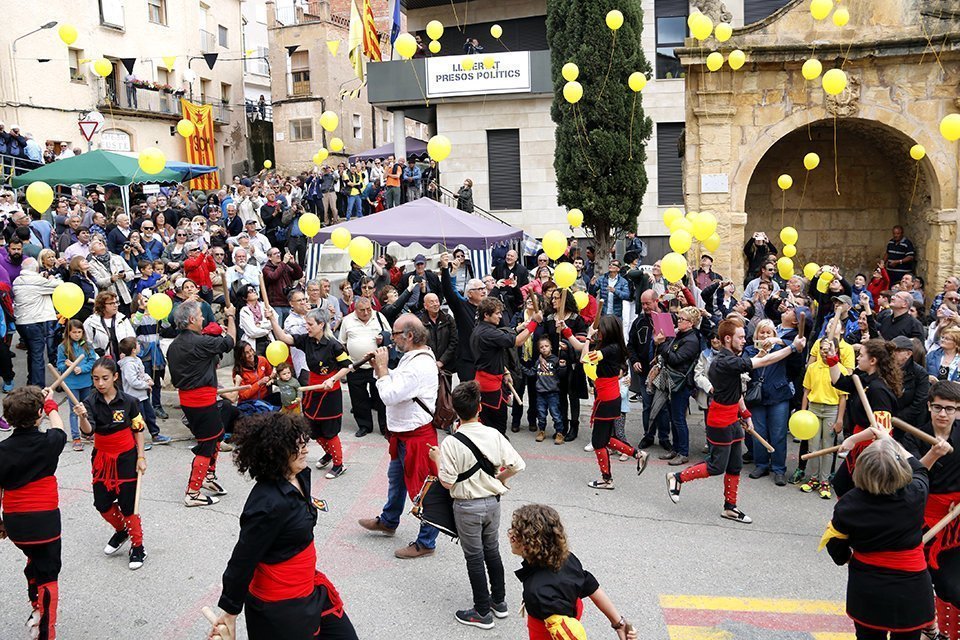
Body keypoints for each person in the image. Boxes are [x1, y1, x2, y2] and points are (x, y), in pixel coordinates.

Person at [210, 412, 358, 640]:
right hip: (281, 607)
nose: (307, 450)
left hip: (310, 587)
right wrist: (230, 612)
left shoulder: (300, 476)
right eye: (298, 446)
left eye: (304, 443)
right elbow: (243, 559)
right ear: (275, 451)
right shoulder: (266, 504)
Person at [666, 318, 805, 523]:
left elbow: (737, 391)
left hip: (733, 418)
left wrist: (746, 414)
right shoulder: (724, 361)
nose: (744, 340)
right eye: (740, 337)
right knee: (716, 466)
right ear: (728, 338)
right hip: (720, 421)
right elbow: (764, 362)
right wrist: (792, 347)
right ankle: (677, 477)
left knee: (735, 465)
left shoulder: (732, 359)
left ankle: (730, 507)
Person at [823, 429, 949, 640]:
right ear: (900, 470)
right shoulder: (915, 494)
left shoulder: (849, 504)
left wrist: (845, 558)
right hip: (911, 587)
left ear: (861, 469)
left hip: (867, 586)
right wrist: (888, 440)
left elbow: (835, 545)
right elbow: (919, 468)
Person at [429, 380, 525, 628]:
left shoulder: (450, 442)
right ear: (480, 407)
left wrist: (438, 458)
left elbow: (447, 483)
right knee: (492, 550)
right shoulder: (493, 434)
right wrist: (499, 478)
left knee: (474, 557)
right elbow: (518, 464)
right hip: (493, 504)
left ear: (456, 412)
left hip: (467, 507)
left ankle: (482, 611)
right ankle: (499, 601)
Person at [358, 315, 441, 559]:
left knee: (423, 491)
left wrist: (383, 369)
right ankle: (389, 520)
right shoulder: (412, 358)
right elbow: (399, 383)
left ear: (410, 336)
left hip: (416, 438)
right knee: (396, 481)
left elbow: (390, 396)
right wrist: (380, 369)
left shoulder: (419, 364)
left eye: (395, 334)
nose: (391, 339)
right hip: (403, 435)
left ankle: (426, 542)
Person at [509, 504, 639, 640]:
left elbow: (570, 636)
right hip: (571, 609)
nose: (510, 535)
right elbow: (591, 586)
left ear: (530, 544)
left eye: (515, 534)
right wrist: (619, 623)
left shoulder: (537, 592)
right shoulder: (566, 557)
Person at [0, 387, 66, 640]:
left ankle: (35, 607)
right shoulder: (50, 441)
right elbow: (59, 427)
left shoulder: (2, 450)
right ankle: (46, 632)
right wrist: (49, 404)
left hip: (16, 523)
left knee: (33, 559)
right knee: (49, 572)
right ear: (39, 413)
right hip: (45, 522)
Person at [73, 357, 149, 571]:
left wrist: (141, 457)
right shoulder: (89, 402)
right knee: (102, 503)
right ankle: (122, 530)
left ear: (115, 377)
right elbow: (88, 432)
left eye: (105, 378)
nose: (100, 383)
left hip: (126, 457)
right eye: (95, 379)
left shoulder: (129, 402)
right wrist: (82, 417)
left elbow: (138, 430)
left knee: (128, 505)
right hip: (102, 457)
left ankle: (138, 546)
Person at [564, 316, 649, 489]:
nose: (598, 332)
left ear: (608, 330)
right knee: (605, 439)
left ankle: (607, 479)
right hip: (608, 397)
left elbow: (584, 358)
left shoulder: (611, 349)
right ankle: (637, 454)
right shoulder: (610, 347)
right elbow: (580, 348)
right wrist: (566, 329)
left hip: (608, 398)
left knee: (598, 442)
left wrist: (588, 336)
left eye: (600, 329)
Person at [167, 299, 237, 507]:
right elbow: (230, 341)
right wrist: (231, 315)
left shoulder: (174, 345)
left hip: (192, 400)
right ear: (191, 320)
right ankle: (193, 491)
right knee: (207, 444)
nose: (203, 319)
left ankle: (208, 476)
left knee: (215, 437)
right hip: (201, 401)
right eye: (200, 316)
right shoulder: (200, 342)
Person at [269, 308, 353, 479]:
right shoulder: (307, 340)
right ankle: (329, 453)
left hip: (330, 391)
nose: (306, 327)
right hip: (313, 387)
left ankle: (339, 464)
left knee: (329, 430)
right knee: (313, 428)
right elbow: (285, 338)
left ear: (321, 324)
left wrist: (333, 379)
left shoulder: (333, 344)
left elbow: (347, 365)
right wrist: (272, 320)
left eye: (310, 324)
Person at [902, 381, 960, 618]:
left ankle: (945, 630)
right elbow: (911, 475)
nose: (943, 414)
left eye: (949, 408)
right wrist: (933, 453)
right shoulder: (913, 436)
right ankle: (923, 626)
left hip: (955, 523)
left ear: (958, 410)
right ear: (929, 406)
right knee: (916, 580)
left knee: (951, 585)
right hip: (920, 515)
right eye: (937, 407)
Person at [820, 338, 902, 498]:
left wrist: (852, 440)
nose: (857, 357)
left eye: (861, 355)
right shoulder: (863, 377)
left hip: (871, 448)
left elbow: (882, 430)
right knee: (842, 484)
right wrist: (831, 358)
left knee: (859, 490)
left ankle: (853, 518)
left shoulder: (879, 389)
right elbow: (840, 382)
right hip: (860, 441)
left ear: (873, 360)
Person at [471, 297, 541, 435]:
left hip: (489, 380)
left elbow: (491, 357)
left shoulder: (480, 329)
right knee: (496, 428)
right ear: (486, 315)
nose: (500, 316)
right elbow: (518, 341)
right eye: (497, 313)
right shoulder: (488, 333)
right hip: (490, 386)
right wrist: (534, 322)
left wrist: (505, 372)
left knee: (490, 423)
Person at [798, 335, 850, 499]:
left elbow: (843, 397)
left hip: (831, 410)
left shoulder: (840, 369)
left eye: (827, 349)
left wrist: (840, 419)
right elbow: (806, 392)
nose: (823, 352)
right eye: (821, 348)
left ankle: (824, 481)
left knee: (828, 448)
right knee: (813, 446)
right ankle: (813, 478)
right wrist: (803, 412)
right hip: (814, 408)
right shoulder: (812, 368)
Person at [654, 306, 702, 466]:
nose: (678, 321)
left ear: (691, 323)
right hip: (672, 381)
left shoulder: (692, 340)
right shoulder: (681, 335)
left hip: (681, 383)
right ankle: (675, 448)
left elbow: (675, 358)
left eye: (682, 319)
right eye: (678, 318)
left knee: (679, 418)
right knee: (674, 417)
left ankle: (683, 452)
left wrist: (662, 344)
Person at [338, 297, 389, 437]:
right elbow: (341, 343)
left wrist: (383, 339)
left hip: (377, 366)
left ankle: (385, 427)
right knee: (358, 398)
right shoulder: (347, 320)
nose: (366, 313)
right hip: (355, 365)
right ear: (355, 310)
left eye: (368, 309)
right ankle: (364, 425)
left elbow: (391, 336)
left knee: (381, 397)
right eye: (362, 310)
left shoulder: (379, 316)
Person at [13, 258, 61, 386]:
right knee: (38, 356)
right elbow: (59, 286)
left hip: (21, 322)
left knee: (32, 353)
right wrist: (50, 278)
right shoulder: (38, 281)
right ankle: (38, 387)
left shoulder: (18, 280)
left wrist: (41, 278)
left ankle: (31, 383)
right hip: (34, 322)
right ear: (36, 269)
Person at [117, 337, 162, 448]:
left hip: (143, 395)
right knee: (138, 419)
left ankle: (155, 434)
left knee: (150, 415)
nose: (140, 346)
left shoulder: (137, 360)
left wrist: (148, 379)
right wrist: (146, 385)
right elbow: (133, 381)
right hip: (134, 397)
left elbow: (142, 373)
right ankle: (136, 441)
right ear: (133, 349)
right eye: (137, 344)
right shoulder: (128, 365)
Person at [83, 291, 137, 361]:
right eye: (111, 303)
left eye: (116, 302)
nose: (115, 305)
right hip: (102, 362)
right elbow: (86, 344)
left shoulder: (123, 319)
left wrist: (127, 352)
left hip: (123, 360)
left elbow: (131, 338)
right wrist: (96, 355)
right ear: (102, 305)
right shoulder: (91, 322)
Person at [532, 336, 564, 443]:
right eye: (541, 347)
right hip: (540, 393)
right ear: (539, 349)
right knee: (541, 414)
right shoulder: (538, 361)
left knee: (555, 414)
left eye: (546, 346)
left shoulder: (555, 360)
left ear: (551, 347)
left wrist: (563, 367)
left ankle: (559, 433)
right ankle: (541, 431)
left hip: (553, 393)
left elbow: (561, 375)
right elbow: (532, 372)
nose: (544, 348)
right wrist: (520, 368)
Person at [418, 292, 458, 372]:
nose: (435, 304)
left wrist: (442, 361)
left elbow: (454, 341)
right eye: (431, 302)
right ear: (425, 306)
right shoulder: (420, 322)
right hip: (427, 365)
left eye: (437, 301)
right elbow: (419, 344)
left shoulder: (448, 319)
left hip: (446, 365)